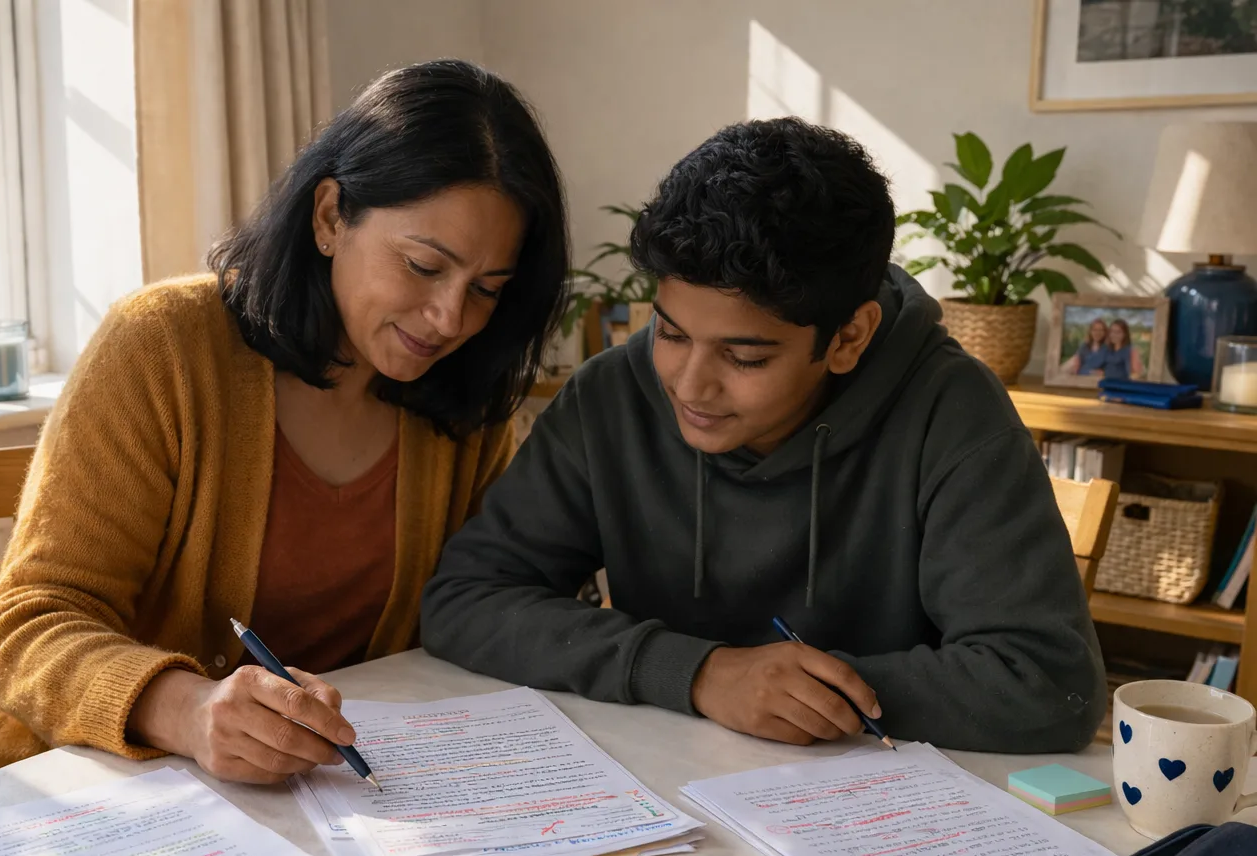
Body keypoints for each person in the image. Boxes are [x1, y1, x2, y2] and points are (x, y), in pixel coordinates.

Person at [0, 60, 569, 803]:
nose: (450, 319)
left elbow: (498, 600)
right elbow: (22, 628)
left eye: (486, 291)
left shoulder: (466, 405)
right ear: (329, 217)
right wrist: (187, 708)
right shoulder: (163, 347)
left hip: (297, 803)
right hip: (39, 771)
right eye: (422, 265)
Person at [421, 118, 1105, 754]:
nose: (689, 386)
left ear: (849, 337)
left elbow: (1048, 682)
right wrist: (699, 674)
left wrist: (795, 695)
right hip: (664, 783)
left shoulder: (952, 412)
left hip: (880, 809)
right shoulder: (610, 395)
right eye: (671, 332)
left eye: (745, 358)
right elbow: (467, 598)